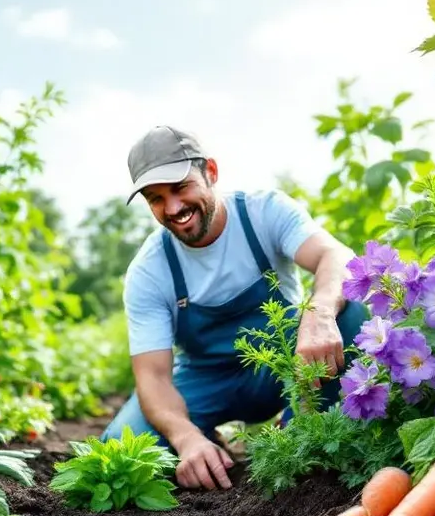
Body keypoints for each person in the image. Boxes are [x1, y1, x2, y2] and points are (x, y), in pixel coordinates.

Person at [101, 125, 370, 491]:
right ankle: (206, 442)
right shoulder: (150, 270)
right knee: (123, 447)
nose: (173, 208)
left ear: (210, 172)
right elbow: (153, 378)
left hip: (287, 361)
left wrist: (319, 312)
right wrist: (185, 439)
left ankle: (300, 436)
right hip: (206, 379)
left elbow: (336, 256)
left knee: (351, 315)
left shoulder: (263, 213)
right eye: (156, 199)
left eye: (180, 187)